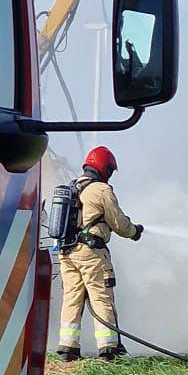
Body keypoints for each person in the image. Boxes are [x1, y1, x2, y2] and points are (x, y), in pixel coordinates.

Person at [56, 146, 142, 360]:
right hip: (91, 253)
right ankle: (109, 349)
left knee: (72, 298)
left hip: (67, 253)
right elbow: (119, 223)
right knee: (101, 297)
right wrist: (134, 231)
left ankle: (67, 348)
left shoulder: (74, 186)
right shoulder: (102, 190)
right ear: (105, 168)